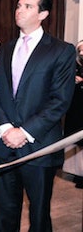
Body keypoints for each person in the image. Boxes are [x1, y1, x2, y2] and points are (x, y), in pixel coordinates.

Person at [0, 0, 75, 232]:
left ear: (43, 14)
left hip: (40, 147)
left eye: (27, 6)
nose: (19, 11)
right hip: (5, 148)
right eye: (18, 5)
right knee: (4, 215)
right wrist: (5, 129)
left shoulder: (60, 50)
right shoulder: (5, 49)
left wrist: (23, 132)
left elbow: (60, 100)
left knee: (38, 216)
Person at [64, 40, 83, 188]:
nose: (82, 53)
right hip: (76, 109)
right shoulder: (74, 66)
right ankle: (79, 174)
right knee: (77, 142)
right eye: (80, 50)